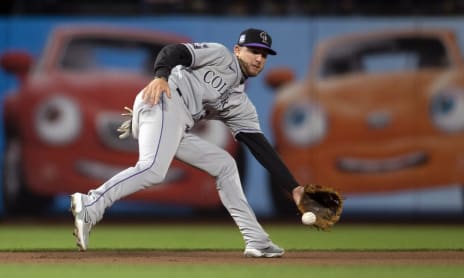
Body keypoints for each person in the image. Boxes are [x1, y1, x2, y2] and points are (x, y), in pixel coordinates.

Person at [70, 28, 305, 258]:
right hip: (164, 99)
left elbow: (260, 147)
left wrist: (293, 187)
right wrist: (161, 76)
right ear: (237, 50)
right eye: (253, 50)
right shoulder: (221, 55)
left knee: (225, 164)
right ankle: (91, 204)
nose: (258, 58)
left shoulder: (240, 104)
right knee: (152, 169)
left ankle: (257, 240)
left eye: (264, 55)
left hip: (175, 122)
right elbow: (174, 51)